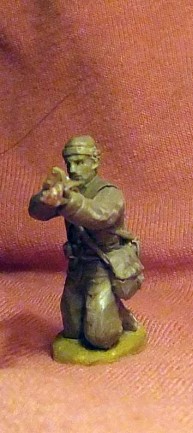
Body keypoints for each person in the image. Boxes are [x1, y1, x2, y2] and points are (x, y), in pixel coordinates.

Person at [29, 135, 143, 350]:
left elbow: (99, 215)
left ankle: (120, 316)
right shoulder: (69, 189)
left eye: (80, 162)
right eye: (69, 163)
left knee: (101, 338)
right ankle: (110, 309)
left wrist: (67, 201)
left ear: (95, 161)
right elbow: (36, 212)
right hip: (77, 266)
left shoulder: (109, 193)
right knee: (72, 331)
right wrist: (46, 197)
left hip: (102, 265)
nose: (73, 169)